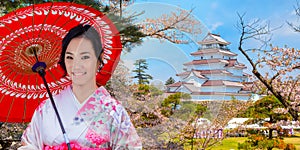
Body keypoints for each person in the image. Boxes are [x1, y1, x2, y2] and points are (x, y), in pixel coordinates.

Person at [19, 24, 142, 150]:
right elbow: (29, 146)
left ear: (99, 59)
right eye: (70, 57)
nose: (76, 65)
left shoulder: (113, 112)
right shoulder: (47, 109)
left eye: (85, 57)